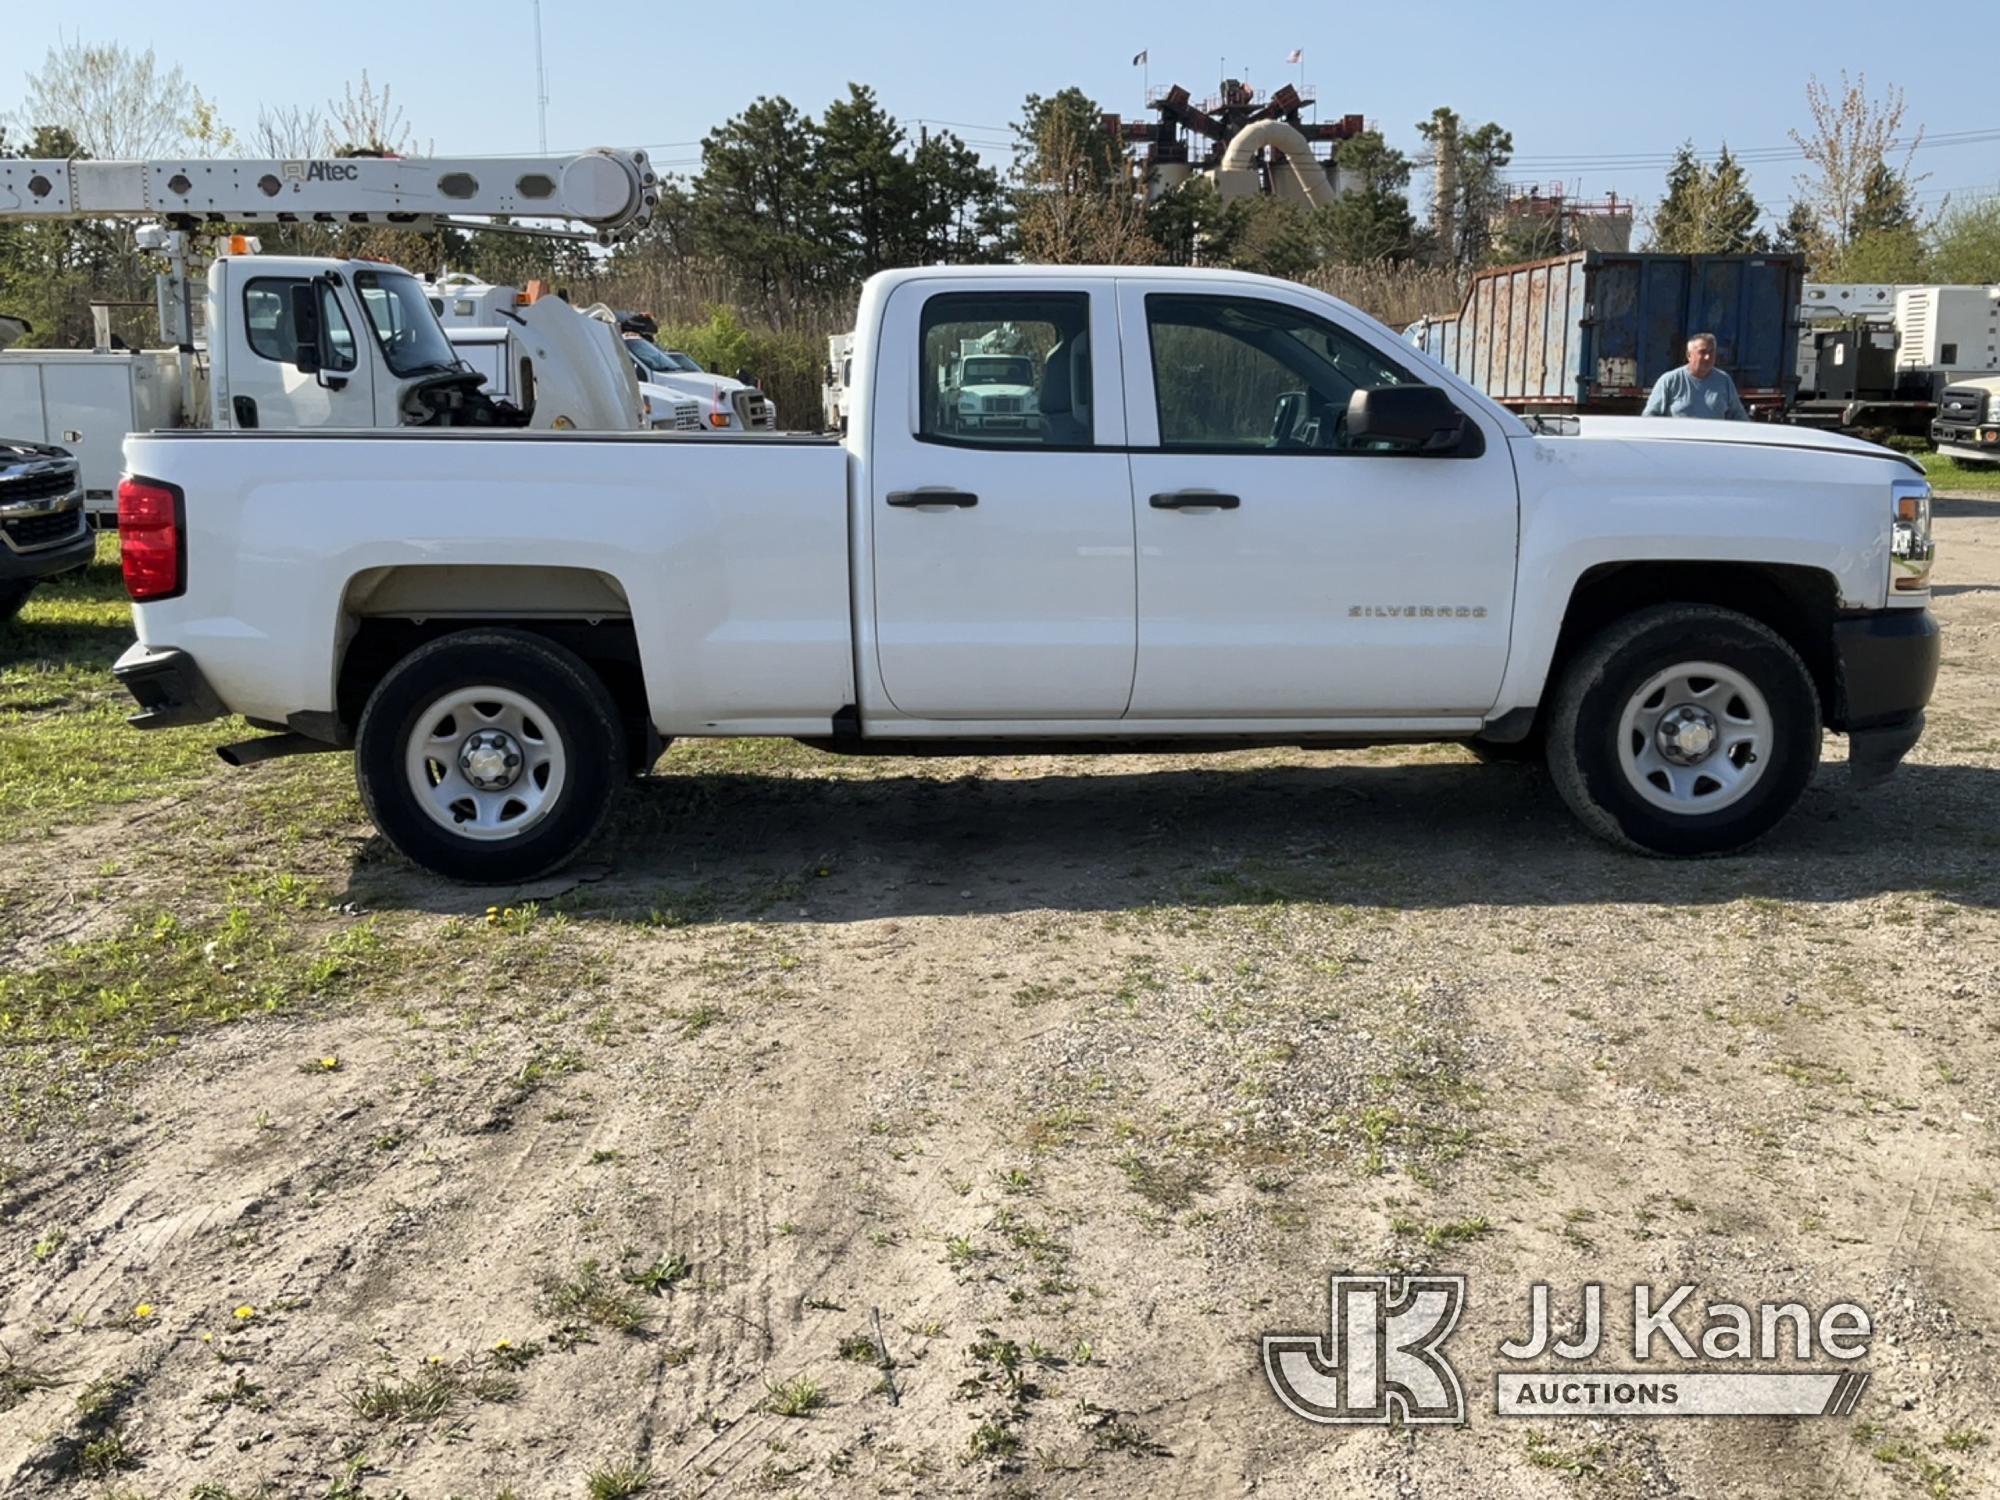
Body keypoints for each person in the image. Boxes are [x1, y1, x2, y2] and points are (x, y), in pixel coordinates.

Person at [1643, 333, 1747, 420]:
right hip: (1680, 442)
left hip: (1713, 442)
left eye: (1712, 352)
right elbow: (1650, 416)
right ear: (1689, 355)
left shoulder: (1724, 381)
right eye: (1702, 352)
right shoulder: (1670, 381)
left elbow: (1739, 416)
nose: (1708, 357)